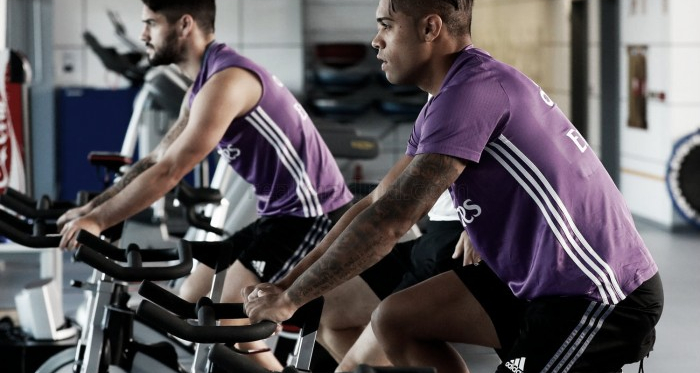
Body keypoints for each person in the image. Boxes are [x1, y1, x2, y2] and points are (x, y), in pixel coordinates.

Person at [243, 0, 664, 372]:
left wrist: (291, 299)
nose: (375, 40)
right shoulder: (445, 99)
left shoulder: (471, 93)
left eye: (387, 25)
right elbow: (376, 202)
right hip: (533, 282)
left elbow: (390, 223)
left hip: (598, 295)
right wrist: (286, 286)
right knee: (396, 319)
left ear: (430, 28)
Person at [57, 0, 353, 370]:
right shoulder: (204, 83)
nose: (142, 34)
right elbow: (156, 158)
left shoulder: (228, 80)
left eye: (151, 23)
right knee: (193, 295)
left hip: (313, 215)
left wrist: (98, 223)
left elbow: (171, 171)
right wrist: (90, 210)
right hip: (280, 215)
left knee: (229, 316)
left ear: (184, 25)